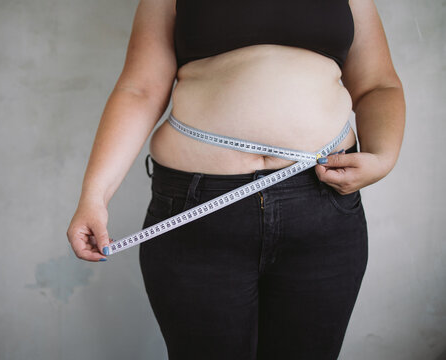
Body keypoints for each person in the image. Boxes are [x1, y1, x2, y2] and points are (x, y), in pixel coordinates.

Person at [67, 0, 405, 358]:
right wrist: (95, 195)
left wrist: (383, 156)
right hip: (196, 213)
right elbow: (140, 90)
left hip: (321, 206)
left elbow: (378, 86)